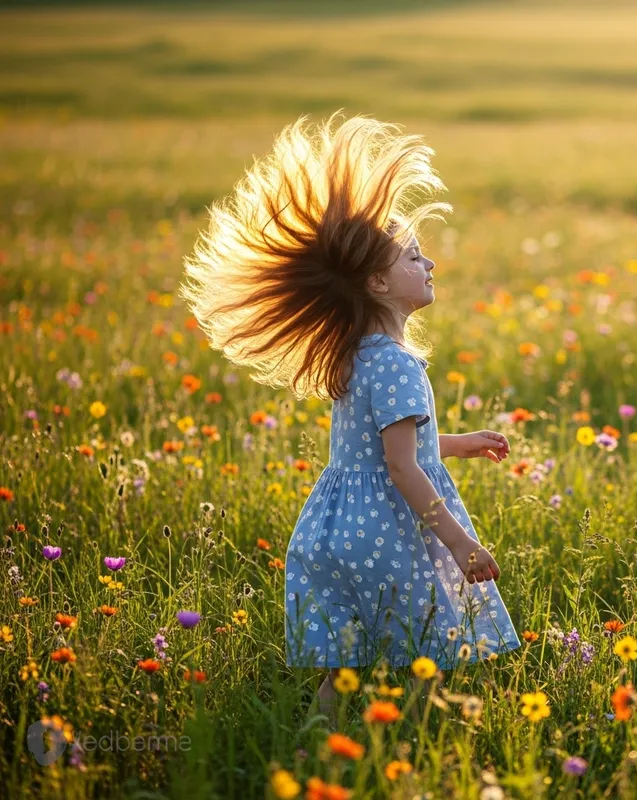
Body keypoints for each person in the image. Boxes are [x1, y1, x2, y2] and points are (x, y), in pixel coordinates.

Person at [179, 111, 522, 726]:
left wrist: (458, 442)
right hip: (388, 530)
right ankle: (416, 742)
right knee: (429, 649)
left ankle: (316, 738)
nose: (430, 265)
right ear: (377, 282)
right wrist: (459, 541)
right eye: (415, 257)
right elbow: (398, 463)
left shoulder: (355, 356)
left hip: (332, 526)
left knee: (344, 663)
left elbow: (379, 446)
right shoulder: (397, 363)